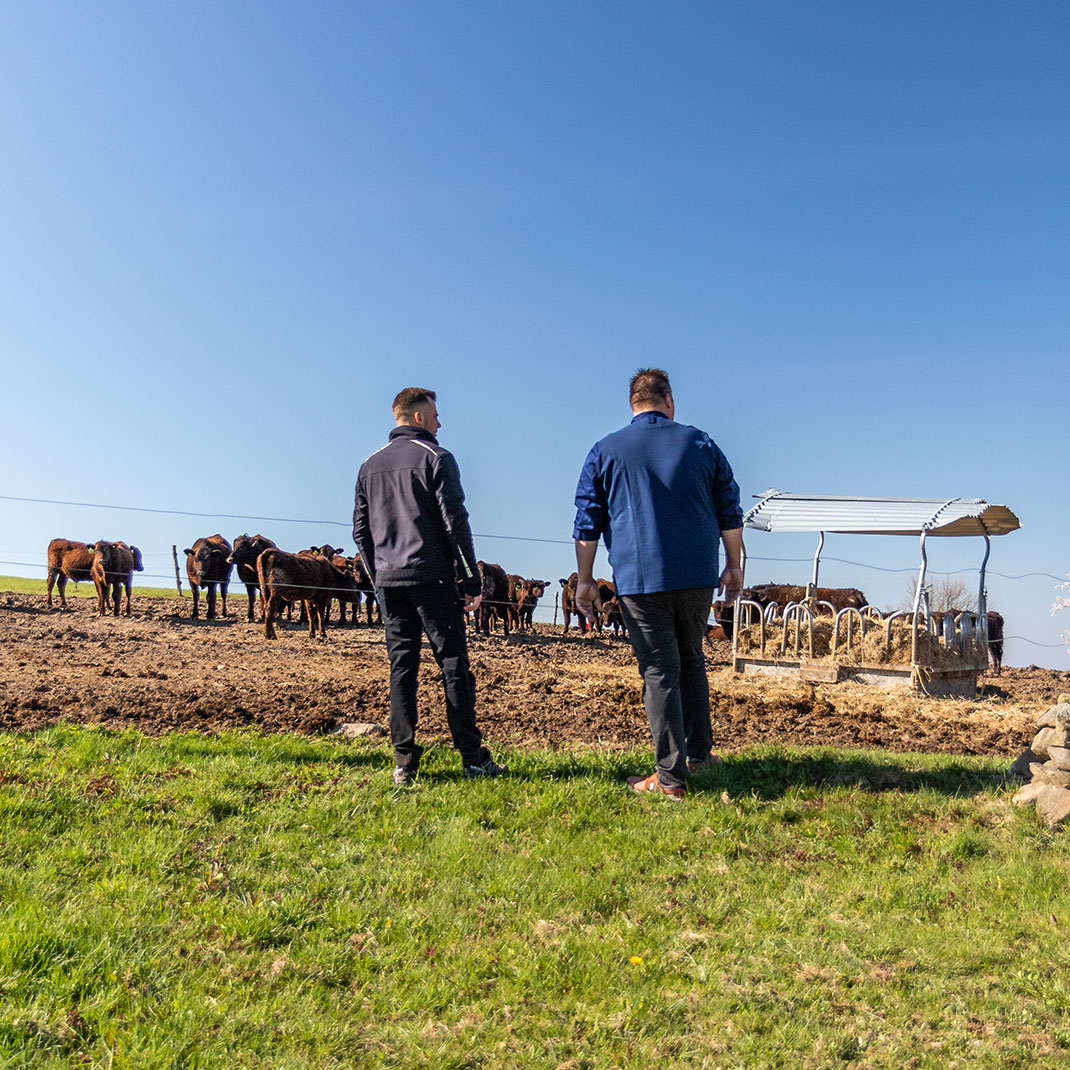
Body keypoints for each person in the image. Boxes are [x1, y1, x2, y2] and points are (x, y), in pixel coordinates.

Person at [572, 368, 743, 799]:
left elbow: (586, 523)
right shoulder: (701, 443)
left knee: (658, 671)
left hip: (639, 577)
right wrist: (734, 565)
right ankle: (700, 756)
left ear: (632, 403)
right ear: (668, 399)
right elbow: (729, 508)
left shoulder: (605, 450)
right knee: (691, 658)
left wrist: (587, 580)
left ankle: (669, 780)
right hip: (696, 575)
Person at [353, 387, 505, 785]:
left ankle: (404, 764)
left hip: (389, 581)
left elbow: (359, 531)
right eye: (436, 414)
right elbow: (455, 521)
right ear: (418, 417)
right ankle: (472, 759)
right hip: (432, 578)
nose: (440, 422)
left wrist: (378, 577)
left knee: (401, 667)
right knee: (453, 664)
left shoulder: (369, 466)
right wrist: (471, 576)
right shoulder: (437, 458)